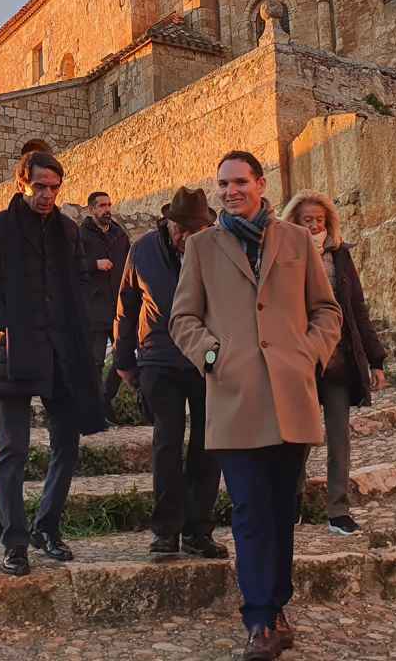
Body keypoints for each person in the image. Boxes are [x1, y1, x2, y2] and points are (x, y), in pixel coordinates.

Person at [169, 152, 342, 661]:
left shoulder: (295, 240)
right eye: (223, 184)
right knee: (248, 511)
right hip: (236, 399)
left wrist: (308, 353)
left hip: (290, 397)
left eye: (240, 182)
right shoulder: (202, 246)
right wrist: (214, 355)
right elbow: (183, 318)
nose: (230, 191)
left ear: (260, 184)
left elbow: (326, 309)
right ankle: (260, 619)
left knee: (281, 509)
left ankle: (278, 605)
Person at [0, 150, 106, 577]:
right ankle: (15, 541)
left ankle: (47, 527)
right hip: (16, 346)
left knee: (67, 443)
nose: (47, 195)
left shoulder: (67, 229)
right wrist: (1, 320)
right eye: (39, 186)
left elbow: (78, 278)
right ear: (21, 184)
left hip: (63, 348)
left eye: (54, 188)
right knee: (13, 449)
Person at [114, 187, 226, 559]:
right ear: (168, 222)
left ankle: (198, 530)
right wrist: (124, 361)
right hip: (158, 360)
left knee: (208, 445)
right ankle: (165, 532)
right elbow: (126, 306)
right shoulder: (141, 250)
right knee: (167, 443)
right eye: (181, 230)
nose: (186, 238)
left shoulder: (216, 250)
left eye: (194, 231)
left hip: (204, 359)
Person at [280, 191, 387, 536]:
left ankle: (338, 509)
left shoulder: (340, 256)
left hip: (339, 361)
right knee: (298, 437)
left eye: (320, 220)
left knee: (339, 437)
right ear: (294, 222)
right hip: (301, 361)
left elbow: (357, 307)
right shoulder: (282, 254)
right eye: (307, 220)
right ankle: (291, 500)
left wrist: (376, 359)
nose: (314, 226)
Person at [79, 190, 131, 416]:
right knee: (95, 361)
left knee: (124, 357)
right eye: (101, 206)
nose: (107, 209)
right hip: (94, 308)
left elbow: (131, 265)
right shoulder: (81, 235)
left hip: (118, 307)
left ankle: (105, 401)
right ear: (91, 209)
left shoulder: (120, 235)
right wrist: (94, 264)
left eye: (109, 205)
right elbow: (70, 266)